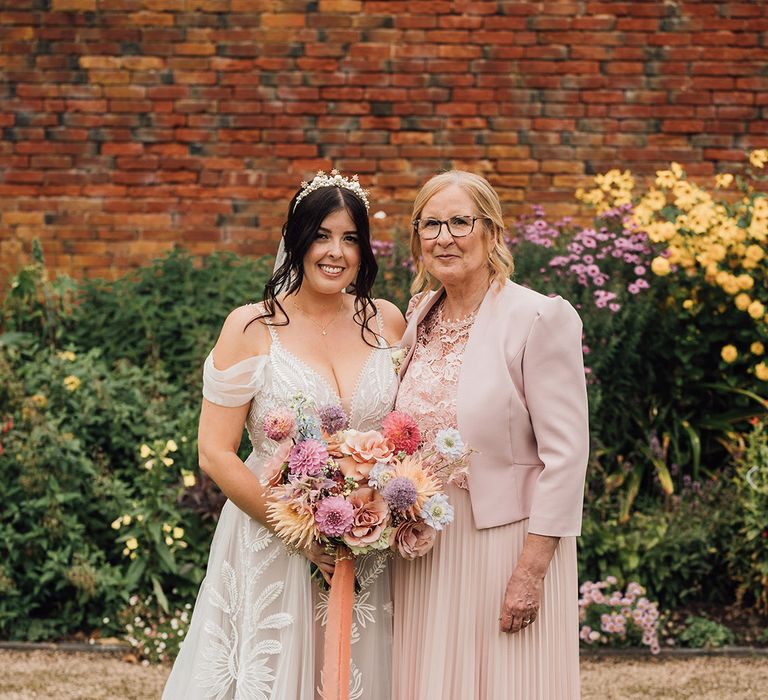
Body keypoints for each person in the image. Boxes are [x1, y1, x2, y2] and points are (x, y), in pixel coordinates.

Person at [162, 170, 405, 699]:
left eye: (350, 238)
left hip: (368, 546)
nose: (334, 252)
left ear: (365, 249)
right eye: (320, 235)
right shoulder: (250, 328)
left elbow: (402, 432)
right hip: (273, 538)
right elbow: (215, 451)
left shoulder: (385, 320)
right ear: (295, 240)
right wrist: (300, 530)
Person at [391, 171, 589, 699]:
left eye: (460, 221)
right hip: (424, 547)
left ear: (492, 233)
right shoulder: (418, 317)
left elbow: (567, 455)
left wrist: (532, 568)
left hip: (504, 543)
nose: (444, 236)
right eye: (430, 224)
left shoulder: (538, 316)